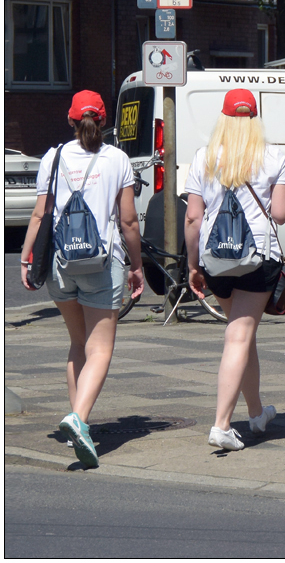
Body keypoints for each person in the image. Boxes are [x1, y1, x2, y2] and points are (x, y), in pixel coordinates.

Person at [20, 91, 144, 469]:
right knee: (100, 349)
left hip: (61, 263)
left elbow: (41, 215)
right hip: (102, 264)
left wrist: (26, 258)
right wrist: (137, 266)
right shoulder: (117, 159)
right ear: (103, 122)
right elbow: (127, 221)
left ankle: (81, 421)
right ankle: (78, 418)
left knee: (77, 344)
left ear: (71, 121)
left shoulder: (53, 157)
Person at [184, 89, 285, 450]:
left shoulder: (203, 158)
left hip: (216, 260)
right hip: (257, 259)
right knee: (239, 337)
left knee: (242, 335)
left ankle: (257, 413)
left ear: (224, 118)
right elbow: (279, 214)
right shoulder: (273, 157)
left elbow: (193, 218)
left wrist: (192, 264)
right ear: (255, 119)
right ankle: (221, 425)